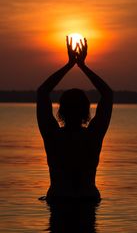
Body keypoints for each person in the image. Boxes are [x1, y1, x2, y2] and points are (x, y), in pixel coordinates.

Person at [36, 36, 113, 203]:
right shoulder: (93, 136)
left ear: (61, 112)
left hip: (59, 198)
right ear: (86, 113)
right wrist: (82, 66)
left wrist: (69, 65)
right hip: (88, 198)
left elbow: (42, 92)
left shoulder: (53, 136)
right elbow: (108, 94)